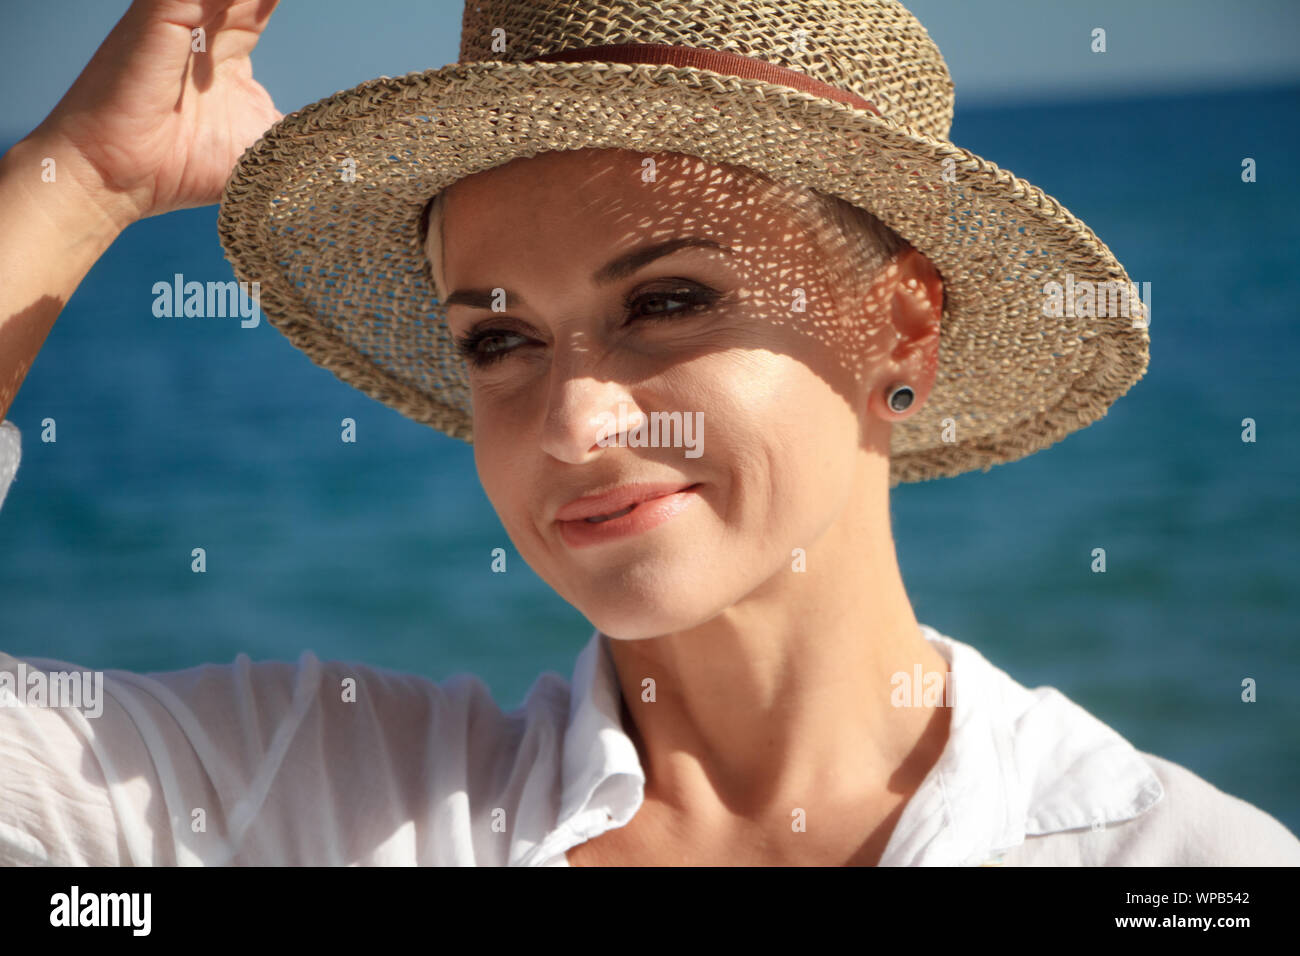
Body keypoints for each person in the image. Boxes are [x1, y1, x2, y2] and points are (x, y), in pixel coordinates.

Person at [1, 0, 1296, 867]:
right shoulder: (326, 803)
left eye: (668, 303)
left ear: (900, 330)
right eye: (497, 341)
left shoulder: (1175, 864)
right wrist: (81, 182)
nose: (573, 421)